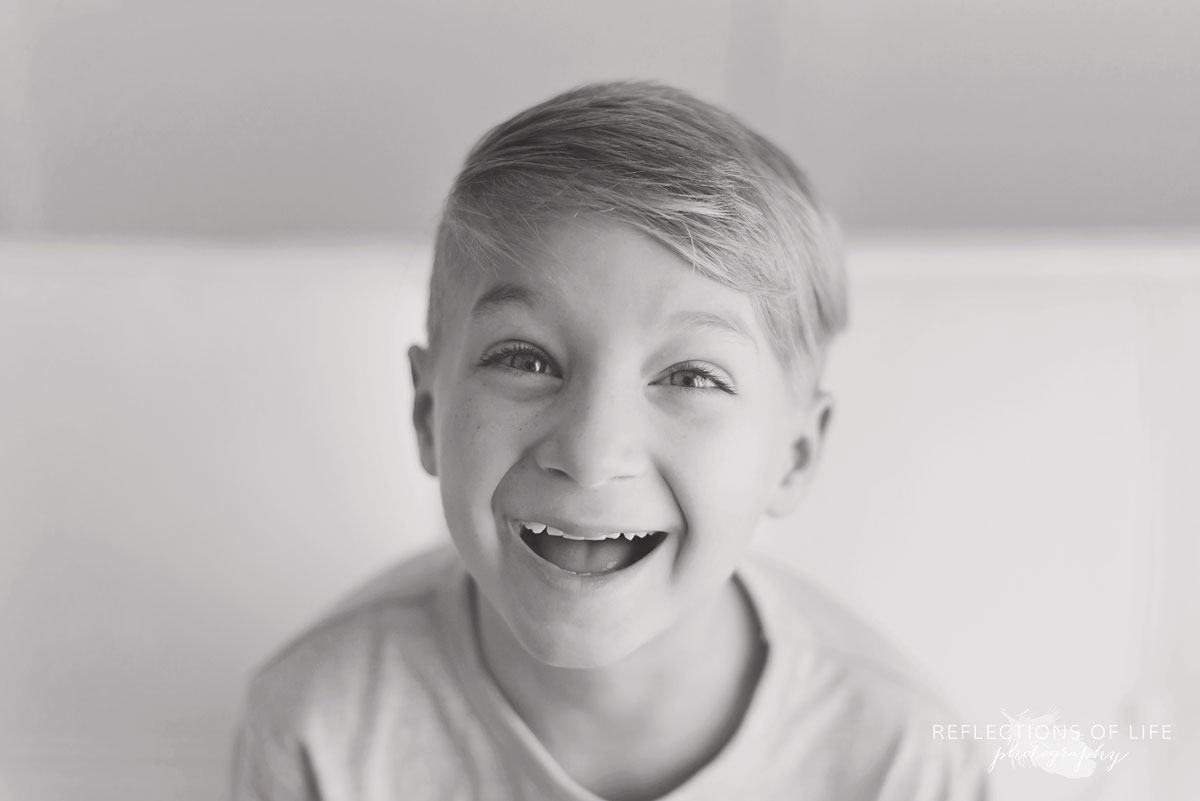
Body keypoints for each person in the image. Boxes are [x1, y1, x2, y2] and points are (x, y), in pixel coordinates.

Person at [230, 81, 990, 801]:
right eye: (525, 360)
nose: (592, 453)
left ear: (794, 456)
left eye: (691, 376)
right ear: (428, 412)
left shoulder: (900, 761)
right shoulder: (318, 728)